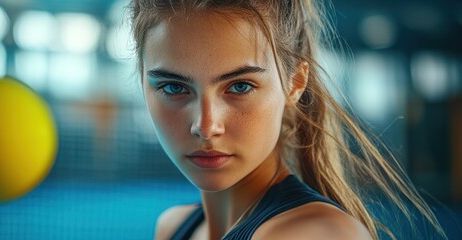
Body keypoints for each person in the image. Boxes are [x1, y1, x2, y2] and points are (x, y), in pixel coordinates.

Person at [128, 0, 447, 239]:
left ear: (295, 82)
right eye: (173, 87)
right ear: (142, 83)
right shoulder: (172, 227)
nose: (206, 125)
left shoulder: (318, 235)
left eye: (240, 86)